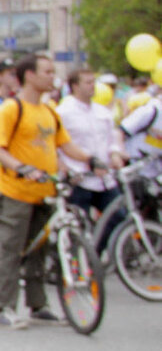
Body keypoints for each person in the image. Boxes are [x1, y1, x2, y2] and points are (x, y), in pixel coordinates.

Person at [0, 54, 100, 330]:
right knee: (10, 250)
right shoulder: (11, 109)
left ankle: (38, 306)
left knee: (39, 251)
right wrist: (21, 167)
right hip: (15, 191)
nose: (52, 77)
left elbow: (62, 146)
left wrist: (89, 161)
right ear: (29, 76)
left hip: (45, 191)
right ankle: (4, 308)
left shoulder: (50, 112)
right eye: (47, 72)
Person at [57, 69, 127, 252]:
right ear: (75, 86)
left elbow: (111, 138)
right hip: (79, 178)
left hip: (103, 178)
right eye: (87, 82)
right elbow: (57, 145)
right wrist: (63, 167)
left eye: (93, 82)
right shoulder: (64, 112)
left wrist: (115, 153)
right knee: (78, 226)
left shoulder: (102, 111)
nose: (92, 86)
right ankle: (78, 261)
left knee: (119, 217)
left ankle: (95, 252)